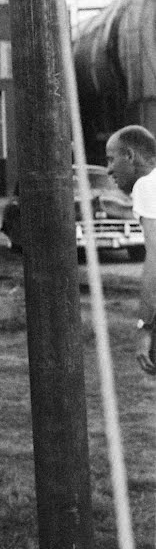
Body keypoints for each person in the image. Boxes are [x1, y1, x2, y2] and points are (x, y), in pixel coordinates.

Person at [105, 124, 156, 375]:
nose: (109, 169)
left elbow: (155, 259)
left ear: (130, 156)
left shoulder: (147, 185)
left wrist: (145, 326)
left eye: (111, 158)